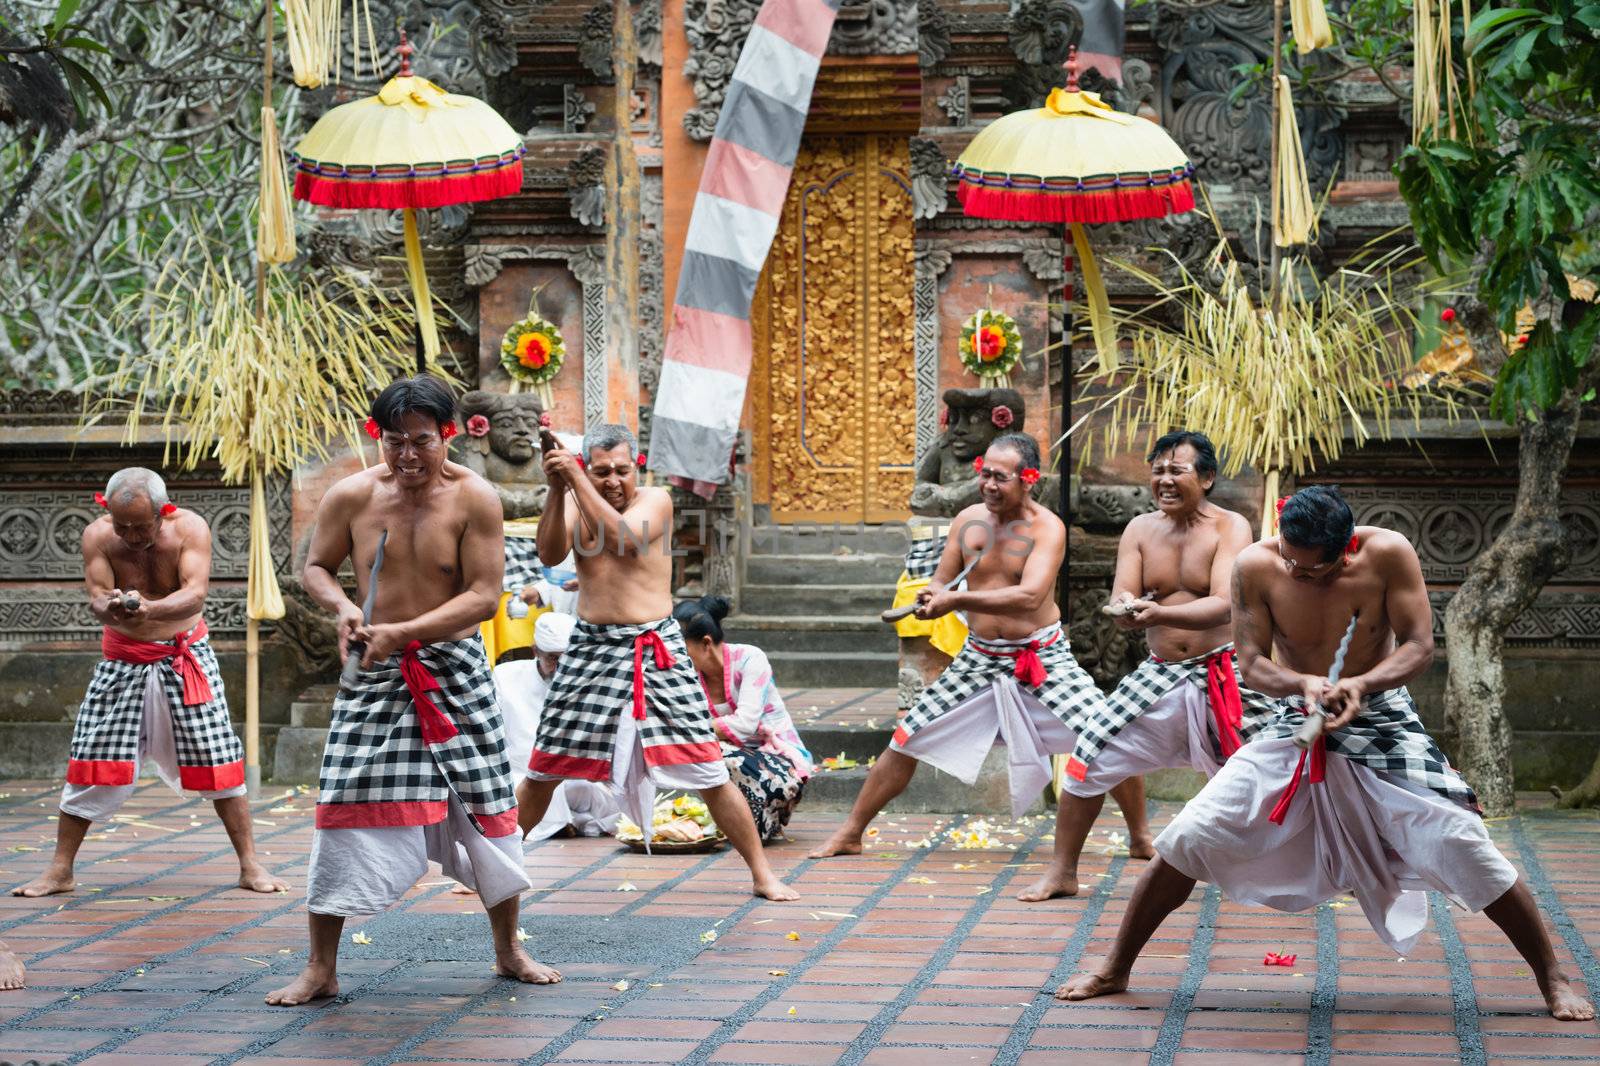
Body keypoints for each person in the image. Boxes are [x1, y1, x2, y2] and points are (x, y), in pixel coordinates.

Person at [1058, 486, 1595, 1022]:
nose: (1301, 575)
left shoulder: (1389, 553)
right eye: (1293, 562)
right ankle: (1116, 966)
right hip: (1297, 718)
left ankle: (1553, 974)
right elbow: (1252, 664)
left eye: (1317, 571)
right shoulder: (1255, 566)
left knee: (1460, 840)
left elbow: (1418, 645)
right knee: (1192, 833)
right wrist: (1303, 683)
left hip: (1382, 717)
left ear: (1349, 548)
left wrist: (1362, 685)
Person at [266, 375, 555, 1007]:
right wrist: (344, 607)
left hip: (452, 669)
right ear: (380, 438)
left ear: (446, 434)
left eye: (421, 441)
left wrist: (405, 631)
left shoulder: (475, 498)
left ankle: (508, 949)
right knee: (341, 800)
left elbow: (482, 597)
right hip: (374, 670)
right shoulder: (352, 496)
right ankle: (321, 966)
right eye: (394, 442)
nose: (408, 457)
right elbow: (315, 566)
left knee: (486, 803)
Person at [518, 424, 798, 901]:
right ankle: (499, 867)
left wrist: (577, 478)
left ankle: (762, 874)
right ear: (589, 468)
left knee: (708, 769)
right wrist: (556, 486)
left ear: (638, 466)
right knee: (545, 766)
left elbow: (625, 540)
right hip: (590, 646)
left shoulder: (657, 501)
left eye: (621, 471)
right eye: (601, 471)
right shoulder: (573, 497)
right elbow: (549, 552)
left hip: (655, 646)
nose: (613, 481)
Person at [809, 434, 1119, 858]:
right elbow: (943, 578)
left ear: (1029, 479)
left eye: (1000, 477)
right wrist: (933, 595)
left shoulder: (1048, 528)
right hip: (980, 657)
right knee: (907, 737)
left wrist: (956, 600)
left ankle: (1139, 836)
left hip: (1039, 654)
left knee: (1107, 734)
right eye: (984, 474)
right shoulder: (969, 520)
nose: (988, 485)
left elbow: (1029, 596)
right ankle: (850, 832)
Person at [1020, 431, 1278, 901]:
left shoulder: (1231, 528)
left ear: (1207, 477)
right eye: (1157, 470)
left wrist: (1157, 612)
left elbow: (1224, 605)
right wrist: (1126, 610)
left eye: (1176, 470)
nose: (1164, 480)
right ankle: (1062, 871)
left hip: (1223, 671)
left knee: (1263, 770)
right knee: (1088, 755)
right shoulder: (1139, 529)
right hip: (1159, 672)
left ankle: (1272, 869)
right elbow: (1123, 595)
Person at [11, 468, 284, 899]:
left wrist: (149, 610)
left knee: (218, 759)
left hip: (185, 658)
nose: (133, 536)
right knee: (91, 758)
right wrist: (115, 606)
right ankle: (60, 870)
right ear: (108, 513)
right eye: (124, 527)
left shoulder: (190, 528)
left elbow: (195, 593)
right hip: (123, 661)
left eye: (142, 526)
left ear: (164, 512)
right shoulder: (97, 536)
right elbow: (97, 597)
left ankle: (250, 864)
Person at [674, 596, 814, 840]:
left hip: (778, 765)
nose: (676, 658)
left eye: (681, 650)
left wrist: (692, 729)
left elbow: (744, 725)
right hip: (732, 764)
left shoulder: (750, 658)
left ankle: (763, 815)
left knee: (708, 749)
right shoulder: (689, 675)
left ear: (706, 643)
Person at [499, 611, 620, 841]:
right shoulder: (505, 677)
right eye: (554, 658)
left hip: (573, 778)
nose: (562, 667)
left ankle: (570, 821)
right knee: (515, 794)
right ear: (535, 651)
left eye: (569, 658)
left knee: (594, 794)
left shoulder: (590, 681)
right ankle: (567, 822)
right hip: (517, 775)